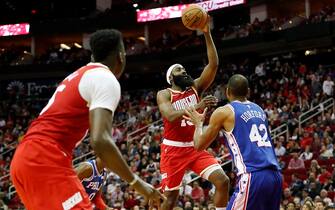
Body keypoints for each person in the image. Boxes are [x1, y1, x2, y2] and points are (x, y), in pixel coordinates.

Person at [10, 29, 163, 210]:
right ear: (121, 57)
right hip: (44, 158)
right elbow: (100, 140)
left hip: (26, 159)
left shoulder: (80, 75)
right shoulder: (105, 78)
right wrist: (138, 183)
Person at [157, 17, 229, 210]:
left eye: (185, 69)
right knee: (170, 200)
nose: (185, 71)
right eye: (180, 70)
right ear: (171, 77)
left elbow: (213, 64)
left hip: (195, 146)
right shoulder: (165, 93)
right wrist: (198, 105)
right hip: (173, 151)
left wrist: (206, 33)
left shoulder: (195, 87)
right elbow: (170, 116)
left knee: (222, 181)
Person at [185, 74, 282, 210]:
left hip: (253, 174)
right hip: (275, 176)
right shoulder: (259, 110)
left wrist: (198, 124)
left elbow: (199, 145)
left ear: (227, 92)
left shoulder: (224, 112)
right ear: (248, 91)